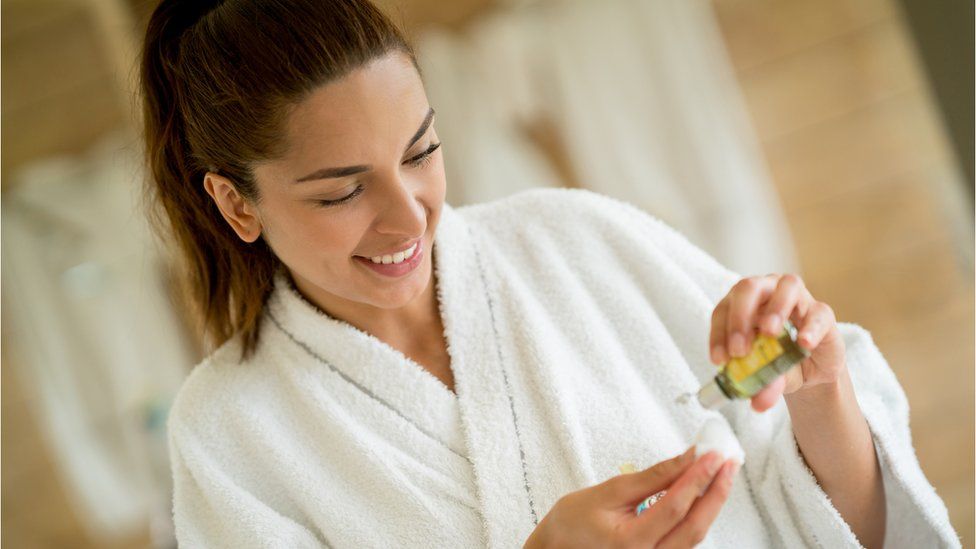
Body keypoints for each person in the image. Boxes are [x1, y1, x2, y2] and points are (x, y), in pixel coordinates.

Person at [139, 1, 959, 547]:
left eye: (421, 150)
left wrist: (823, 395)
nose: (408, 213)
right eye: (343, 190)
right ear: (236, 203)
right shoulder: (230, 435)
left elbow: (851, 528)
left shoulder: (578, 238)